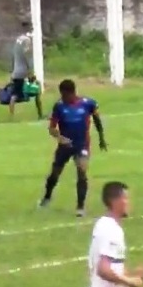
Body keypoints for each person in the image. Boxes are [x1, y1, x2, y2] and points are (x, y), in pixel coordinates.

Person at [38, 79, 107, 217]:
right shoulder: (59, 106)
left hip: (82, 145)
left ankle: (80, 207)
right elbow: (51, 128)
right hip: (64, 147)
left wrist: (101, 138)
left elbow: (97, 120)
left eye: (63, 94)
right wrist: (60, 138)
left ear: (70, 93)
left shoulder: (88, 104)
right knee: (54, 174)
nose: (62, 97)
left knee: (82, 172)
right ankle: (47, 197)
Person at [9, 25, 43, 119]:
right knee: (36, 90)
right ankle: (40, 114)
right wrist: (30, 70)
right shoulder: (27, 40)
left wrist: (12, 70)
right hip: (23, 71)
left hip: (16, 71)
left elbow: (14, 56)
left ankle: (11, 116)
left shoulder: (17, 40)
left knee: (15, 94)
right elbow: (26, 55)